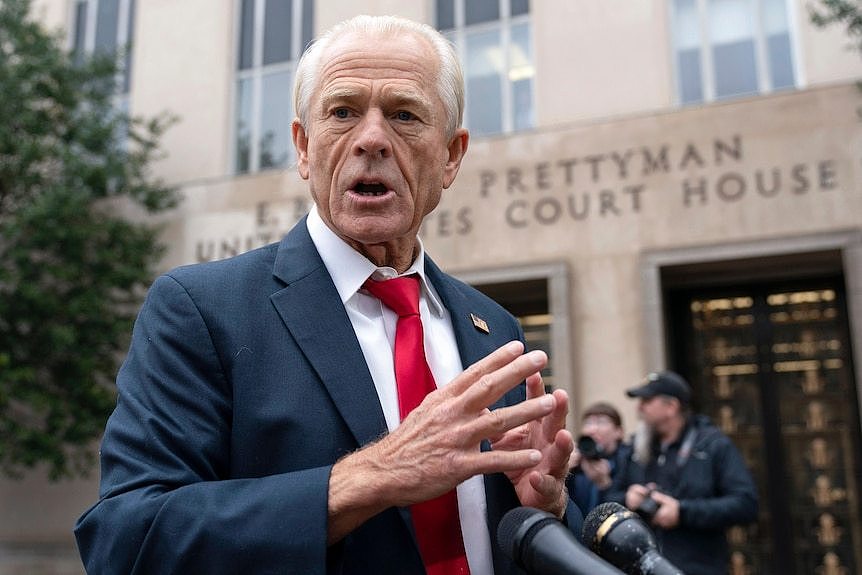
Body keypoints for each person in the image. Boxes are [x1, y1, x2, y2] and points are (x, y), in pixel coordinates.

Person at [73, 15, 579, 575]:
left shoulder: (494, 327)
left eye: (404, 115)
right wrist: (373, 476)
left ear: (452, 157)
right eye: (342, 113)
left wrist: (546, 510)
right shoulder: (202, 309)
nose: (370, 139)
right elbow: (126, 541)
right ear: (304, 147)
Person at [604, 370, 758, 575]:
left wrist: (682, 512)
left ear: (671, 407)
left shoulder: (712, 446)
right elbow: (608, 501)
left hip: (697, 567)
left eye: (647, 400)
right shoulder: (635, 449)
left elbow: (745, 504)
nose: (639, 408)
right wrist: (627, 498)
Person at [566, 402, 632, 516]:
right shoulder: (577, 461)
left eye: (601, 422)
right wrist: (564, 472)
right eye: (588, 423)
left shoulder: (629, 461)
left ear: (619, 432)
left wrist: (604, 483)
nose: (592, 429)